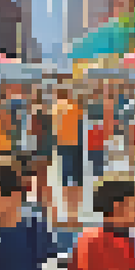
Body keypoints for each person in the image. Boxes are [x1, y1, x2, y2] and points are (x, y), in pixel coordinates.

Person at [53, 88, 85, 226]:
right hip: (76, 145)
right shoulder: (75, 107)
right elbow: (81, 126)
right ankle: (75, 214)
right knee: (77, 181)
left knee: (65, 181)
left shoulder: (55, 108)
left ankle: (67, 213)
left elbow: (54, 130)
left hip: (63, 145)